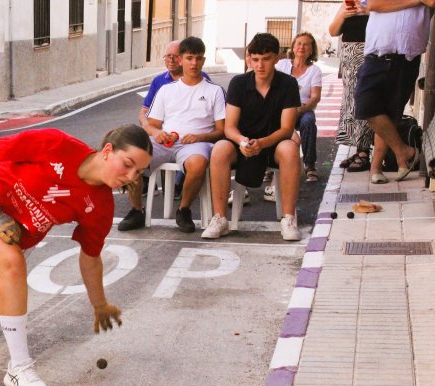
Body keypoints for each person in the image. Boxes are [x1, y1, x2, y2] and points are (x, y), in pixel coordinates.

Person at [0, 125, 153, 386]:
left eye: (138, 172)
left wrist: (100, 304)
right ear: (107, 151)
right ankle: (18, 368)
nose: (131, 176)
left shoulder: (100, 206)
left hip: (17, 234)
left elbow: (90, 258)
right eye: (128, 164)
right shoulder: (56, 144)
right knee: (11, 262)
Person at [201, 33, 302, 241]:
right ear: (249, 59)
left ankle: (289, 217)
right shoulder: (239, 82)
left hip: (274, 141)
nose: (260, 65)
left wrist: (263, 143)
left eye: (265, 59)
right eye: (255, 59)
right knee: (220, 148)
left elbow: (287, 128)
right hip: (242, 141)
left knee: (290, 148)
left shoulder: (288, 84)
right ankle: (220, 217)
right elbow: (229, 127)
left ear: (277, 58)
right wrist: (242, 141)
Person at [119, 40, 213, 231]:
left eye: (175, 56)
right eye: (168, 56)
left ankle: (183, 209)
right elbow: (146, 115)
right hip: (164, 137)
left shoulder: (208, 85)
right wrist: (155, 132)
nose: (171, 60)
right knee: (130, 156)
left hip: (192, 143)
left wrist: (199, 136)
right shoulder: (161, 83)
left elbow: (218, 125)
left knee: (197, 162)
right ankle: (137, 210)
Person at [354, 0, 434, 184]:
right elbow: (373, 5)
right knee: (365, 105)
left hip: (406, 56)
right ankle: (403, 151)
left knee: (389, 114)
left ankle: (377, 167)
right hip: (376, 54)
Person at [329, 0, 373, 174]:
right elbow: (333, 31)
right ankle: (358, 149)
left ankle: (364, 152)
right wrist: (343, 15)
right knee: (350, 103)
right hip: (348, 56)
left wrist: (368, 10)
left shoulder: (376, 3)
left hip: (368, 53)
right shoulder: (347, 5)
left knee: (363, 100)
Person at [275, 32, 322, 182]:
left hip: (303, 109)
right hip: (281, 108)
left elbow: (315, 97)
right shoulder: (282, 65)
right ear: (293, 47)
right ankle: (270, 164)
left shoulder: (314, 71)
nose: (302, 47)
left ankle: (309, 165)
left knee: (308, 122)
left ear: (311, 49)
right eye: (299, 43)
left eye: (306, 44)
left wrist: (300, 110)